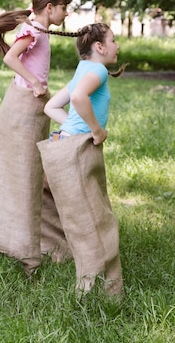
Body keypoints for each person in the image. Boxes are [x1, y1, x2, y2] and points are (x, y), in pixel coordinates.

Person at [0, 0, 80, 274]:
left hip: (34, 110)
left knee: (32, 174)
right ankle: (19, 249)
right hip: (23, 108)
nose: (66, 13)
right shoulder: (32, 30)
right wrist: (33, 82)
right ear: (50, 8)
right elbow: (11, 57)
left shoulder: (39, 28)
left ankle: (33, 241)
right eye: (63, 8)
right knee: (21, 176)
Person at [37, 23, 127, 297]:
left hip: (60, 146)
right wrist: (95, 131)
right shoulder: (98, 70)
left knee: (77, 217)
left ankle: (65, 262)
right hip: (75, 153)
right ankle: (101, 295)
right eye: (113, 40)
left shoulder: (82, 70)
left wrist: (73, 130)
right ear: (99, 47)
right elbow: (77, 98)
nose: (117, 45)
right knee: (94, 221)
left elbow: (50, 106)